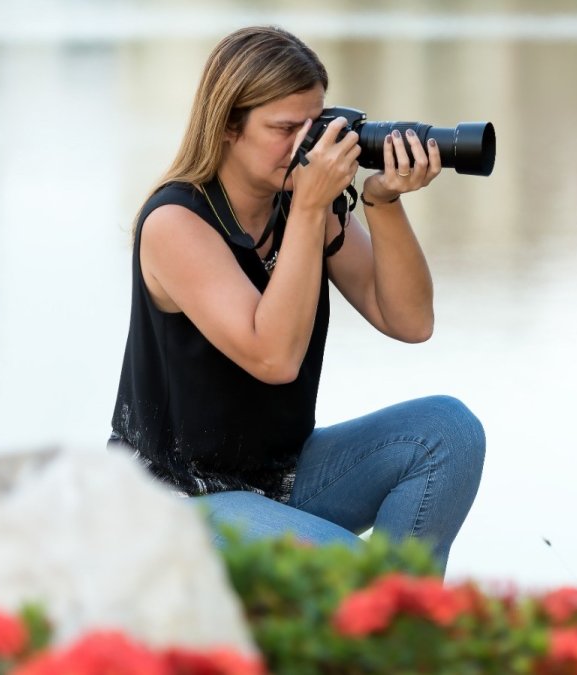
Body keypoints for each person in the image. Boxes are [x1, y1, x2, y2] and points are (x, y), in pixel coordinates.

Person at [108, 26, 485, 572]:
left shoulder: (306, 205)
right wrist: (310, 210)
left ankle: (398, 628)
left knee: (448, 431)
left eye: (313, 127)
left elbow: (410, 321)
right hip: (175, 500)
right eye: (284, 129)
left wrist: (381, 203)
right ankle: (384, 618)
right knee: (351, 570)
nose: (305, 147)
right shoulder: (176, 223)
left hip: (277, 476)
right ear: (228, 127)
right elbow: (274, 357)